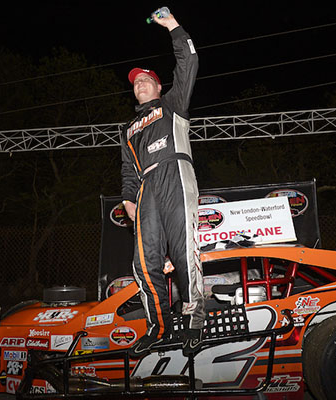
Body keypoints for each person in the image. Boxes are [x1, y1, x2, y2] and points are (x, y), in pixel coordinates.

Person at [120, 10, 205, 357]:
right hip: (145, 189)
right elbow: (127, 172)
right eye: (135, 82)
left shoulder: (173, 104)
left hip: (175, 173)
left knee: (184, 253)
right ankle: (158, 324)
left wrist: (172, 26)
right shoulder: (128, 130)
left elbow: (188, 62)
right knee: (144, 263)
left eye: (146, 80)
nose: (140, 84)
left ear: (158, 86)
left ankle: (195, 318)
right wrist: (129, 203)